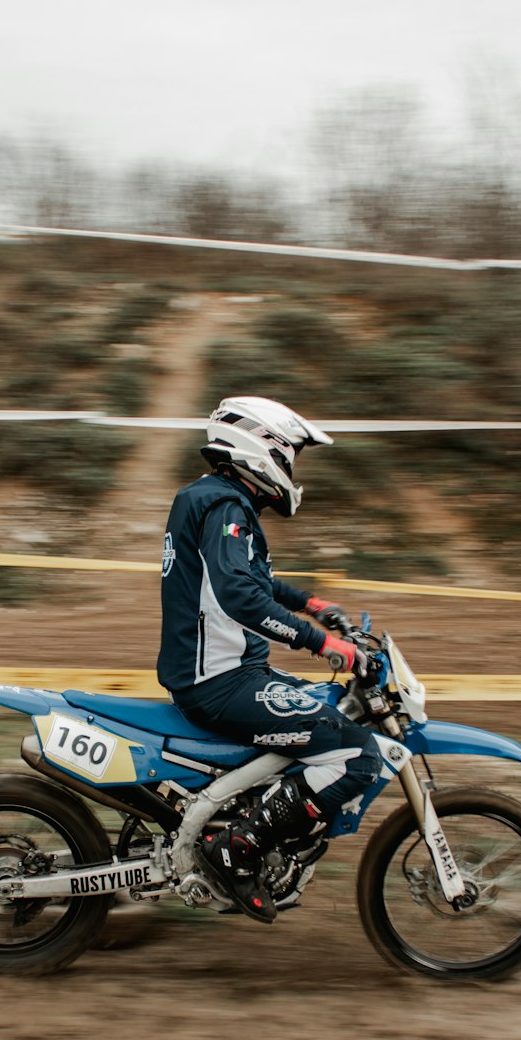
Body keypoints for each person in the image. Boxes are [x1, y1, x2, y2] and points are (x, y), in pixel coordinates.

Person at [157, 395, 383, 924]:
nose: (293, 470)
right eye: (292, 456)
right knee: (356, 755)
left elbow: (252, 580)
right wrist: (321, 643)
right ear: (265, 448)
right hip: (220, 681)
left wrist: (312, 603)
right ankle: (237, 851)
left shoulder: (213, 499)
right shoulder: (225, 507)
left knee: (319, 712)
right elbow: (239, 595)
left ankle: (242, 826)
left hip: (223, 672)